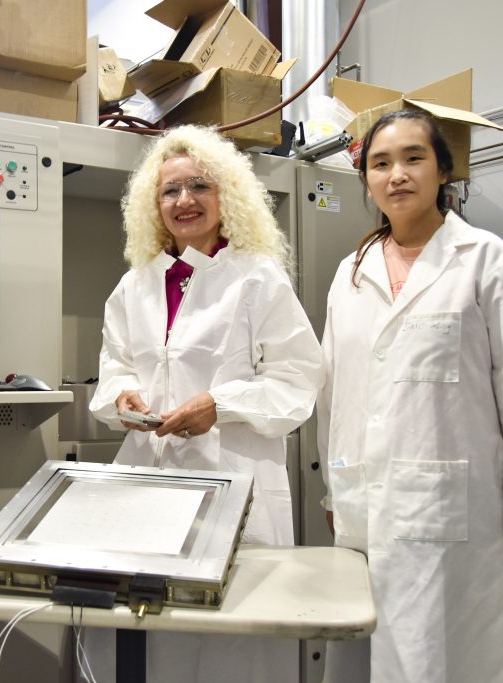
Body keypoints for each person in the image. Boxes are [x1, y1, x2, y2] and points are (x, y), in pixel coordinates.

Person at [316, 109, 503, 683]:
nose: (396, 174)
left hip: (452, 507)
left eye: (413, 158)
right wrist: (335, 486)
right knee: (363, 649)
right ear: (367, 179)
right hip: (362, 501)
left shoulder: (487, 262)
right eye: (380, 163)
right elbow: (335, 392)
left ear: (444, 171)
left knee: (440, 655)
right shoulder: (351, 273)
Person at [88, 125, 323, 682]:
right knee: (155, 639)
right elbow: (113, 369)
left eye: (199, 186)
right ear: (154, 204)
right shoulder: (135, 286)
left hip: (234, 484)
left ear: (227, 197)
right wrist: (121, 397)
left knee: (234, 650)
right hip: (151, 484)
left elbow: (298, 381)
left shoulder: (256, 278)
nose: (184, 200)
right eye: (170, 191)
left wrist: (222, 404)